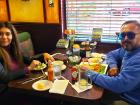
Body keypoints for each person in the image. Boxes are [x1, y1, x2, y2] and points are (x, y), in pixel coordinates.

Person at [81, 20, 140, 105]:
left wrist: (89, 73)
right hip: (122, 91)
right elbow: (111, 54)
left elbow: (119, 85)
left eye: (131, 35)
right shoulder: (128, 49)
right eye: (122, 35)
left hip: (130, 100)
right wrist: (113, 66)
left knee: (89, 97)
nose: (126, 39)